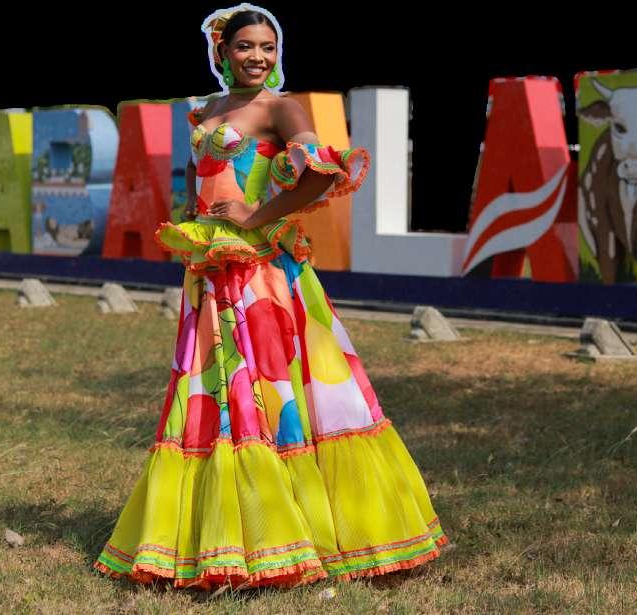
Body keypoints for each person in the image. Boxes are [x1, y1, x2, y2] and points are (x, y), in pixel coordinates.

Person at [92, 4, 447, 590]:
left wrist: (256, 215)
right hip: (211, 271)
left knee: (277, 390)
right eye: (245, 47)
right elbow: (199, 174)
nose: (257, 57)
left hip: (262, 275)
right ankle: (227, 536)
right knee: (215, 391)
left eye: (267, 47)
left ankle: (299, 530)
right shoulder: (207, 109)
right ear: (222, 52)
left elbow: (321, 171)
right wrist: (194, 218)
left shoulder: (282, 108)